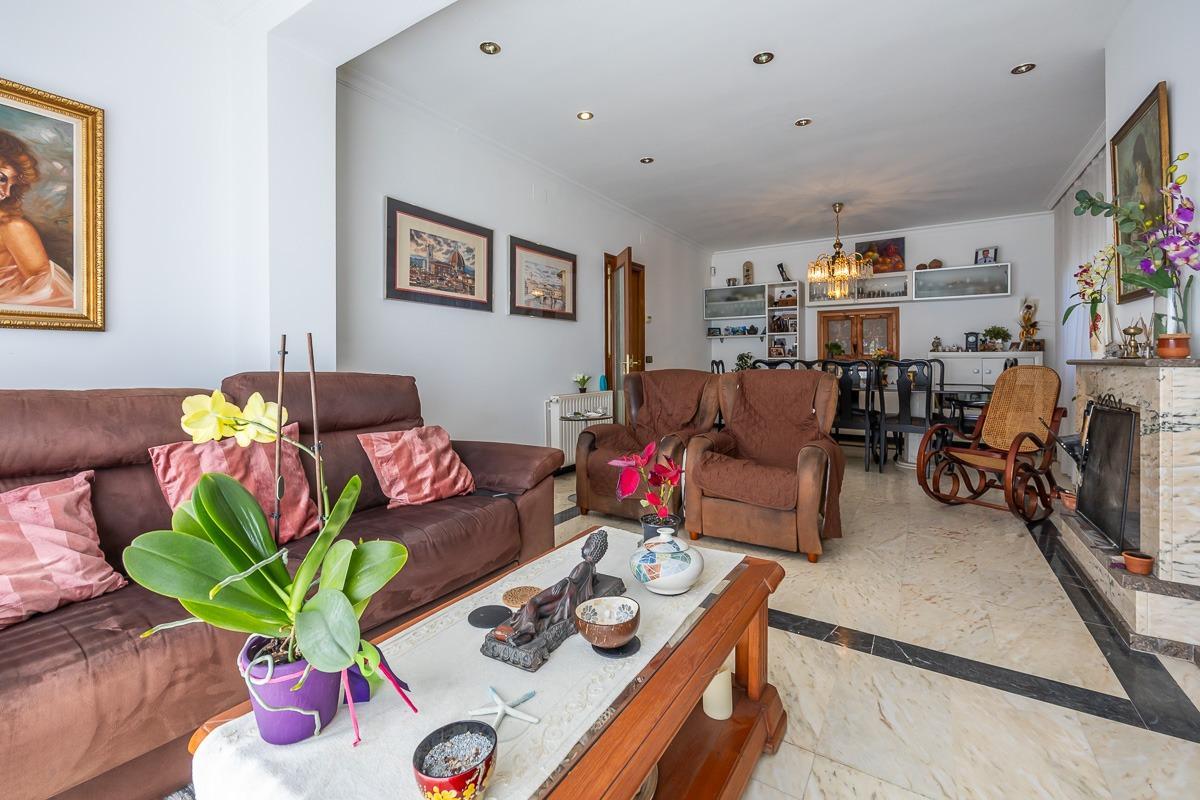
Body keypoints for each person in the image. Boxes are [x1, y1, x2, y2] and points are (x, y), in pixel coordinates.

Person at [0, 130, 72, 308]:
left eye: (12, 184)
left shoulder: (13, 228)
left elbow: (50, 294)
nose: (6, 193)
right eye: (1, 179)